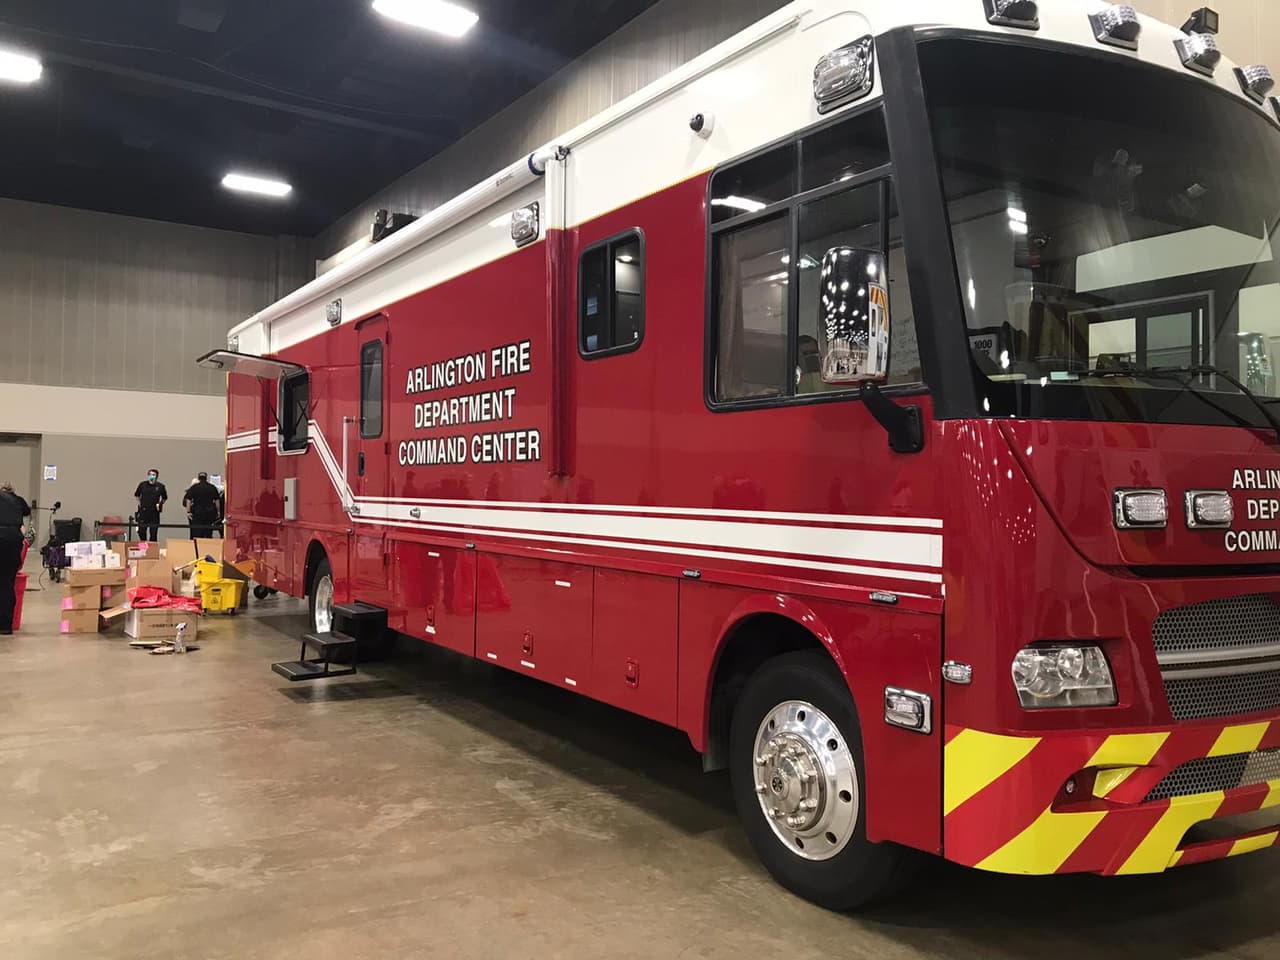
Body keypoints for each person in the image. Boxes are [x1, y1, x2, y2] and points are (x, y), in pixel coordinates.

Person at [0, 481, 31, 635]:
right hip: (13, 541)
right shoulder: (16, 500)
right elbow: (26, 511)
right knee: (8, 583)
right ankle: (6, 626)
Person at [183, 472, 222, 538]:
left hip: (197, 512)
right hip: (209, 513)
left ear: (199, 478)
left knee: (197, 532)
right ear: (206, 478)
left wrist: (188, 512)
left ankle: (198, 546)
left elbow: (188, 500)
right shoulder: (212, 487)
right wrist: (218, 511)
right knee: (208, 532)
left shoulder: (194, 487)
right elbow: (217, 500)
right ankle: (207, 546)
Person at [134, 469, 167, 542]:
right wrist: (140, 503)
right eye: (150, 474)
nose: (151, 476)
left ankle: (152, 550)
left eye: (153, 475)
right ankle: (144, 547)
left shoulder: (160, 486)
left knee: (153, 533)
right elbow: (137, 495)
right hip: (143, 512)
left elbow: (164, 498)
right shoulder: (142, 485)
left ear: (156, 476)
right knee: (141, 531)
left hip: (154, 512)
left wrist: (160, 504)